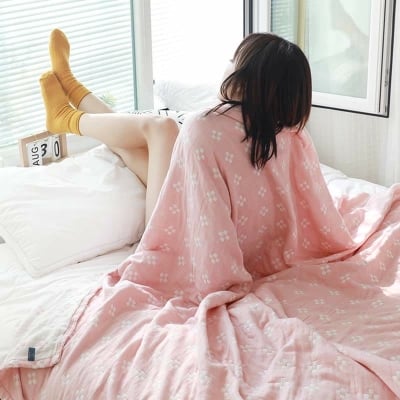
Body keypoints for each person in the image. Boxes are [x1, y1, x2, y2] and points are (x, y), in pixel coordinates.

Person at [40, 29, 311, 224]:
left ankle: (67, 115)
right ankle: (70, 91)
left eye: (232, 60)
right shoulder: (287, 134)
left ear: (244, 82)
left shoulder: (210, 125)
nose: (226, 65)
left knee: (161, 128)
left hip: (187, 234)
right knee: (136, 145)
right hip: (198, 215)